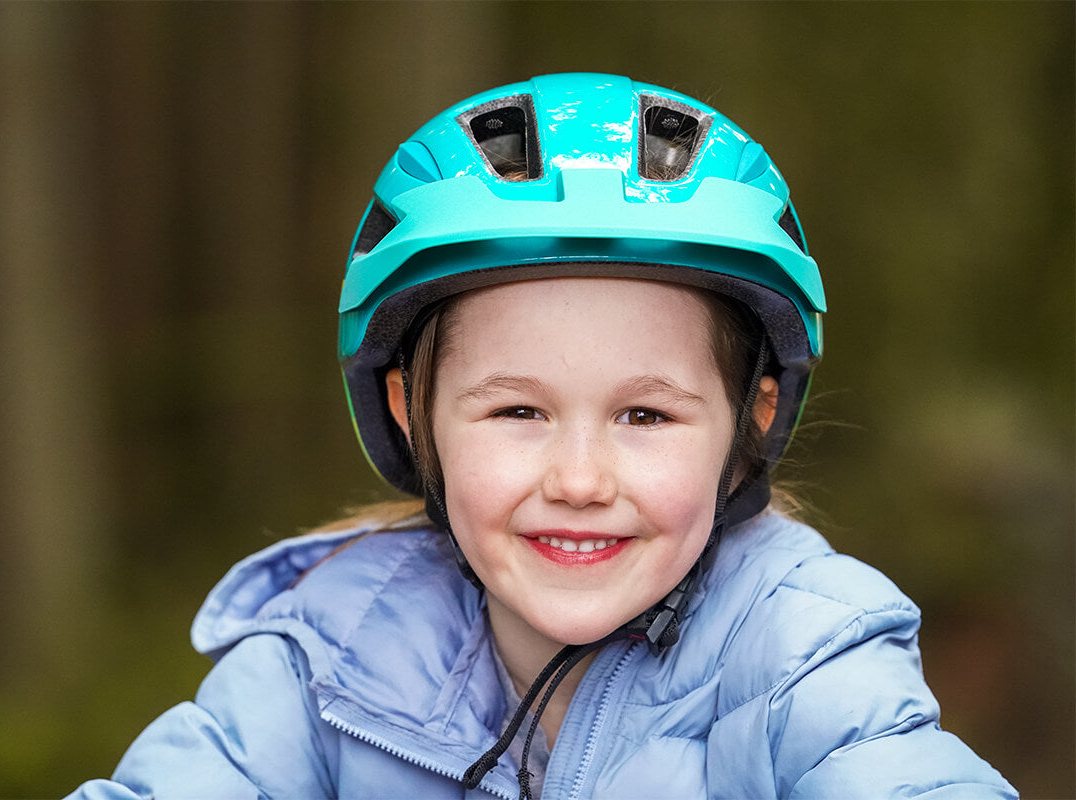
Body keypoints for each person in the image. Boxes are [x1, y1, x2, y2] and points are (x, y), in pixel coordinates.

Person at [67, 73, 1016, 799]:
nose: (577, 478)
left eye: (644, 416)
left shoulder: (802, 648)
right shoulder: (331, 653)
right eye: (518, 412)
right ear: (410, 413)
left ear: (751, 419)